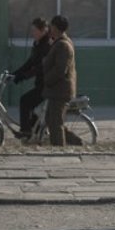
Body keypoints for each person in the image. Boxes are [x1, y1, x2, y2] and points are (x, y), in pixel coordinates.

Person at [12, 17, 51, 139]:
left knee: (25, 101)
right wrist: (16, 73)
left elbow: (40, 67)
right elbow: (30, 62)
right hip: (40, 84)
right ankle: (36, 135)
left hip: (47, 85)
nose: (33, 33)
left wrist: (25, 76)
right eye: (32, 30)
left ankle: (26, 131)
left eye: (35, 30)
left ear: (43, 30)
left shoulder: (47, 45)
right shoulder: (38, 44)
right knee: (34, 115)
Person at [42, 15, 77, 147]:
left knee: (55, 123)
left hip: (60, 90)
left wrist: (47, 79)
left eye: (51, 26)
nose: (49, 29)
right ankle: (76, 142)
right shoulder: (59, 42)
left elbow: (60, 69)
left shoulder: (63, 45)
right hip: (56, 90)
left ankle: (59, 150)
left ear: (56, 28)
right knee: (51, 120)